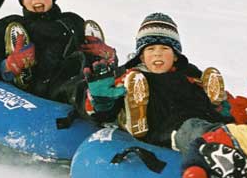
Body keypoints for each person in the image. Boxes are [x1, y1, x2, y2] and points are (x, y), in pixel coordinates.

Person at [85, 13, 234, 150]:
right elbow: (104, 115)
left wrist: (222, 109)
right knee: (196, 130)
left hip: (203, 120)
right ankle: (133, 119)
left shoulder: (190, 73)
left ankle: (228, 134)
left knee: (226, 127)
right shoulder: (131, 76)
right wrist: (101, 101)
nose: (158, 53)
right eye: (150, 49)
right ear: (141, 57)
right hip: (167, 129)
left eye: (164, 48)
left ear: (175, 56)